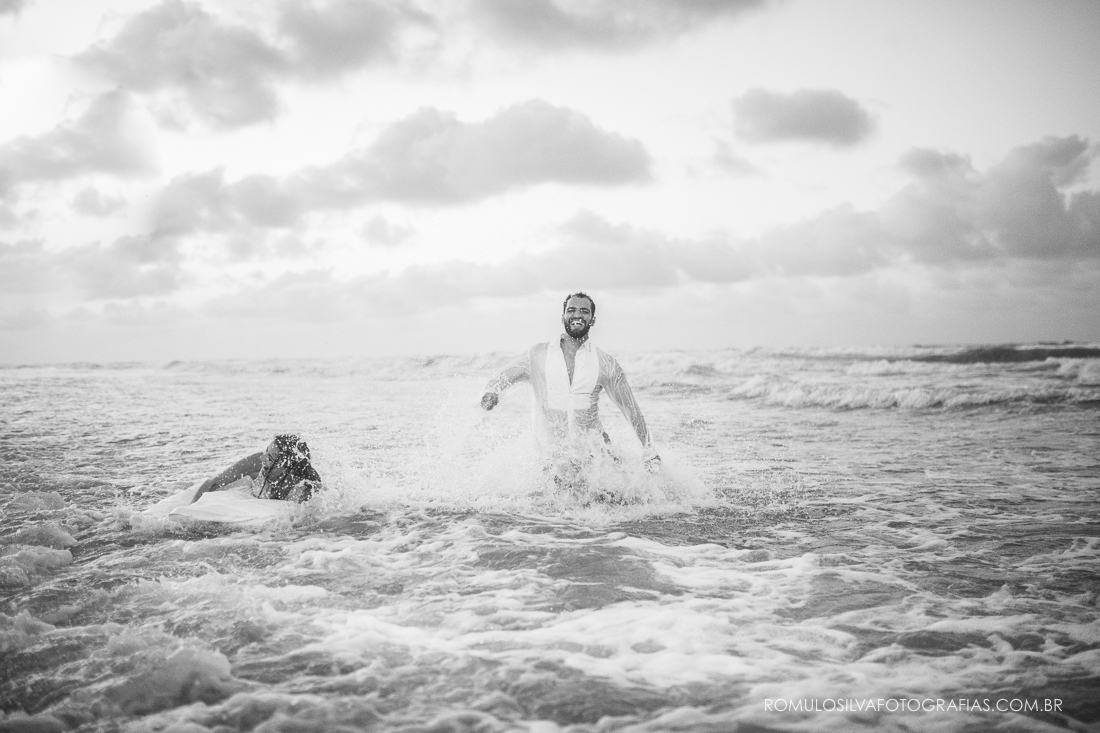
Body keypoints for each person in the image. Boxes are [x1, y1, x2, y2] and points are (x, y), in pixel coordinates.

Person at [481, 292, 660, 474]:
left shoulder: (605, 362)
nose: (577, 315)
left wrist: (649, 451)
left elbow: (631, 410)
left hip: (595, 459)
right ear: (563, 317)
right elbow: (503, 376)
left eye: (584, 311)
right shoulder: (537, 354)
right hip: (552, 458)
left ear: (592, 320)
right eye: (571, 310)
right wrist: (492, 392)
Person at [190, 434, 321, 504]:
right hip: (247, 492)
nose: (263, 458)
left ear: (286, 466)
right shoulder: (256, 461)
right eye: (266, 451)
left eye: (270, 457)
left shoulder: (300, 485)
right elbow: (213, 481)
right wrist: (190, 508)